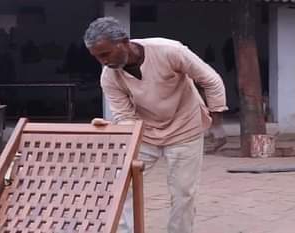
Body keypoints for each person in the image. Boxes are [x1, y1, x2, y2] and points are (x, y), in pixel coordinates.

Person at [84, 17, 228, 233]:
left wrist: (217, 124)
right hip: (146, 133)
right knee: (121, 185)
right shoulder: (109, 76)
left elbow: (210, 80)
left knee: (183, 194)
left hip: (185, 128)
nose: (103, 61)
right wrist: (113, 130)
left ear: (123, 41)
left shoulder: (169, 50)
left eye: (105, 54)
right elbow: (125, 115)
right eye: (97, 57)